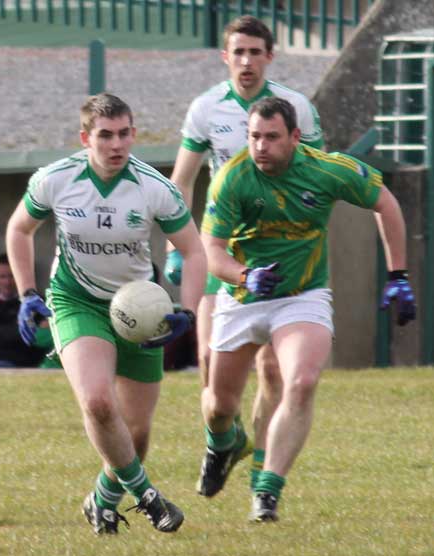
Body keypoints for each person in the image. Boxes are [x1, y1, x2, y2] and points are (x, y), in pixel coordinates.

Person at [197, 97, 416, 522]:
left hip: (301, 296)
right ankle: (222, 441)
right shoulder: (231, 179)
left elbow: (385, 202)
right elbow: (212, 253)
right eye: (254, 136)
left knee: (301, 380)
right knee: (220, 405)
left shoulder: (327, 169)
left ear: (295, 137)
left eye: (272, 137)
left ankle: (267, 491)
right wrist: (245, 276)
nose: (261, 146)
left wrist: (399, 275)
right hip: (242, 299)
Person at [6, 93, 207, 534]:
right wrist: (26, 293)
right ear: (85, 138)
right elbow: (19, 228)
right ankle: (150, 498)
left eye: (124, 134)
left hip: (140, 306)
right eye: (105, 136)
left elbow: (193, 251)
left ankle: (102, 499)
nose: (116, 144)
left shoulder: (155, 187)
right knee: (98, 403)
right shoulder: (56, 179)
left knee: (136, 433)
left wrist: (188, 313)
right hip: (75, 301)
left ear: (133, 134)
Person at [165, 15, 324, 491]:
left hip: (278, 254)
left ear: (270, 57)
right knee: (212, 376)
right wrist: (180, 247)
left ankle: (262, 475)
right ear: (225, 57)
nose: (247, 61)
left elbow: (317, 177)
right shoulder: (206, 108)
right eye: (239, 52)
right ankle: (223, 440)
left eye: (256, 52)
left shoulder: (296, 108)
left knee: (273, 367)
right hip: (222, 249)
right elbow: (182, 181)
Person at [0, 253, 46, 368]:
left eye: (12, 276)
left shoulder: (36, 303)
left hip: (23, 360)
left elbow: (37, 337)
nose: (7, 282)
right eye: (3, 277)